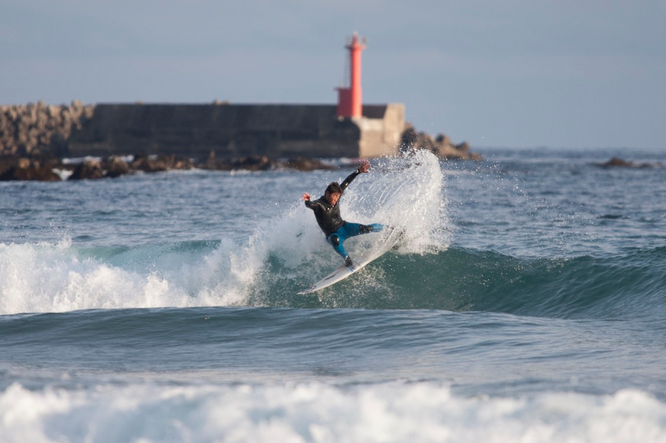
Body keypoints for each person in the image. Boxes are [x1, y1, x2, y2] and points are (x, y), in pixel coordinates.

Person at [302, 159, 383, 268]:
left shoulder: (337, 195)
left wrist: (358, 171)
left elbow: (346, 182)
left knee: (366, 228)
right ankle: (347, 259)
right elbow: (310, 205)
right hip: (332, 235)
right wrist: (307, 201)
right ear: (327, 193)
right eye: (334, 196)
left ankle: (390, 228)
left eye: (337, 197)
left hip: (344, 227)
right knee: (335, 241)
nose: (335, 199)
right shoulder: (319, 205)